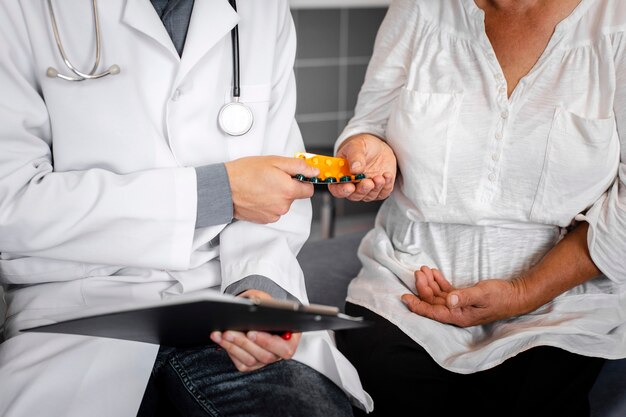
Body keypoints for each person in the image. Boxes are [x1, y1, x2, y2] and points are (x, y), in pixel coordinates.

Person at [0, 1, 373, 416]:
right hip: (80, 311)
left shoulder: (263, 10)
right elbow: (9, 203)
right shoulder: (21, 10)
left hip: (225, 302)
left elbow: (277, 188)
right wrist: (216, 193)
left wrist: (262, 292)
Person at [329, 0, 626, 416]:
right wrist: (365, 155)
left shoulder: (615, 22)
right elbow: (369, 125)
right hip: (406, 285)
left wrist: (524, 292)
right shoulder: (420, 9)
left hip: (558, 303)